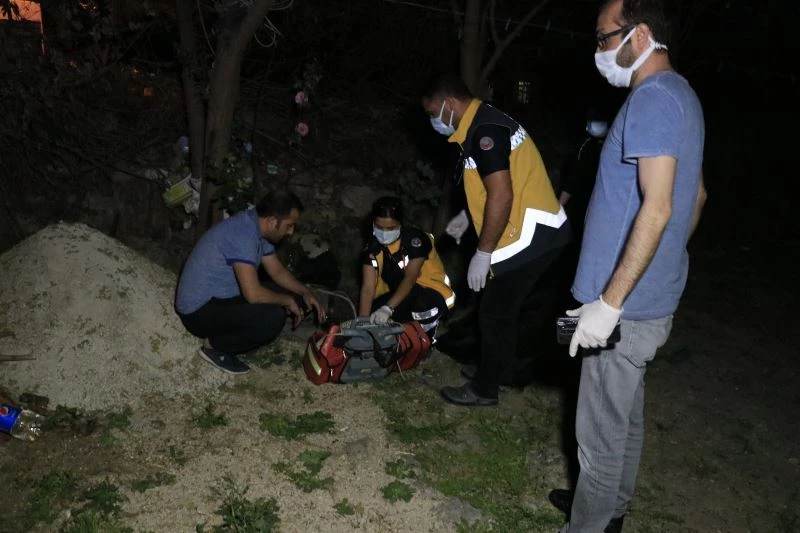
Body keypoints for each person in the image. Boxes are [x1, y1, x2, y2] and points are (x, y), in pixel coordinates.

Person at [552, 0, 708, 531]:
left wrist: (611, 302)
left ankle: (589, 524)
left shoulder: (652, 98)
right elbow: (697, 196)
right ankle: (610, 512)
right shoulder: (682, 95)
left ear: (639, 35)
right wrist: (660, 266)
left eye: (604, 38)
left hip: (620, 308)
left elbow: (658, 207)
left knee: (598, 437)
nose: (598, 50)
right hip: (646, 299)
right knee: (624, 418)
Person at [421, 74, 570, 406]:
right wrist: (467, 216)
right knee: (506, 312)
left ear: (449, 104)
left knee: (493, 313)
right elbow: (491, 184)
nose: (433, 120)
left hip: (530, 236)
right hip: (540, 231)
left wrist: (483, 252)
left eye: (433, 112)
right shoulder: (483, 120)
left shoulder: (484, 132)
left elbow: (501, 195)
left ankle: (485, 389)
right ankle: (501, 372)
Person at [175, 189, 326, 375]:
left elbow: (277, 271)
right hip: (198, 312)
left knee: (290, 294)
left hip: (220, 297)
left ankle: (241, 335)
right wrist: (287, 301)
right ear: (272, 221)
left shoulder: (256, 225)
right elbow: (253, 294)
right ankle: (214, 347)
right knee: (273, 317)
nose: (291, 232)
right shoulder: (243, 234)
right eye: (289, 225)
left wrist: (305, 292)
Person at [359, 196, 455, 337]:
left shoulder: (415, 240)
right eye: (379, 227)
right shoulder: (372, 249)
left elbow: (410, 278)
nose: (384, 233)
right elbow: (368, 288)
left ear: (400, 224)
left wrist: (388, 308)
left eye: (390, 228)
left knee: (420, 302)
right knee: (373, 313)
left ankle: (428, 336)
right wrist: (362, 323)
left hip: (430, 293)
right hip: (400, 295)